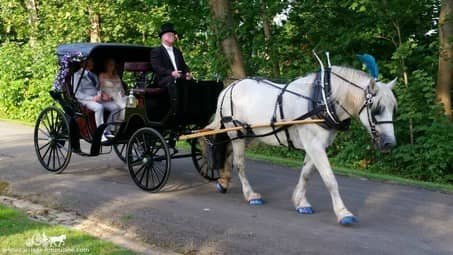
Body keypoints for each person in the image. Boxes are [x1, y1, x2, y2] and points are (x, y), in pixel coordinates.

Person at [72, 58, 121, 141]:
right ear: (84, 63)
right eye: (91, 61)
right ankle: (100, 134)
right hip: (85, 100)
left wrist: (102, 94)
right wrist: (92, 98)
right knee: (99, 107)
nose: (93, 62)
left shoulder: (93, 74)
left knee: (116, 107)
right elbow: (77, 93)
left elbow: (98, 88)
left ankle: (108, 130)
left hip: (98, 98)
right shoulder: (77, 75)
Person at [150, 22, 193, 87]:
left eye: (173, 35)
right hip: (164, 79)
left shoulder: (177, 51)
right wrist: (171, 73)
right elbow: (157, 67)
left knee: (192, 82)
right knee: (174, 81)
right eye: (169, 35)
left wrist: (187, 73)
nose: (172, 37)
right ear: (163, 37)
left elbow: (183, 66)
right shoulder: (156, 51)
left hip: (179, 78)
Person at [99, 58, 126, 122]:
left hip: (118, 97)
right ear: (106, 65)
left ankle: (118, 127)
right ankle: (109, 128)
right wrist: (104, 95)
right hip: (107, 99)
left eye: (113, 65)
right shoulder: (102, 75)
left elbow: (122, 89)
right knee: (122, 107)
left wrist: (122, 91)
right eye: (109, 64)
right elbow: (101, 89)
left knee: (131, 104)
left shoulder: (116, 76)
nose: (111, 66)